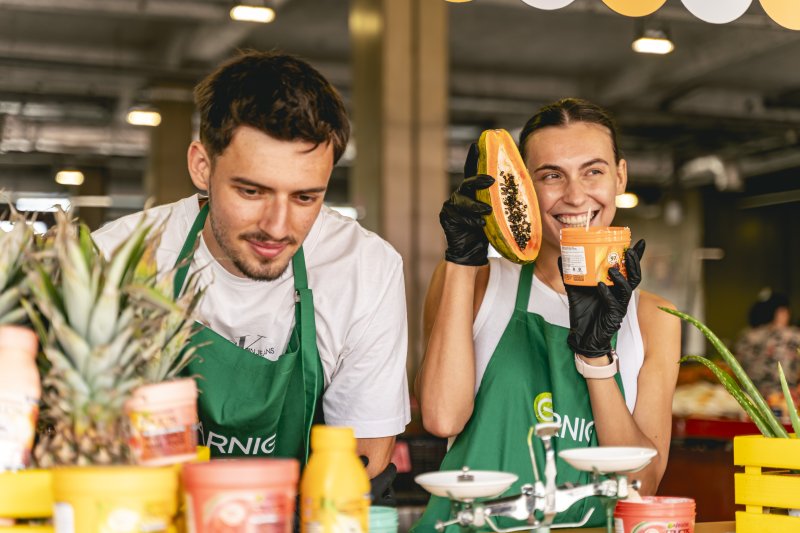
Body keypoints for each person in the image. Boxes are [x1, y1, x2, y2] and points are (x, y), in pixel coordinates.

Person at [92, 51, 409, 484]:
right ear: (201, 166)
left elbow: (363, 459)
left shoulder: (365, 268)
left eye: (305, 198)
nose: (277, 227)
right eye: (252, 192)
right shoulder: (118, 258)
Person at [413, 98, 681, 530]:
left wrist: (595, 357)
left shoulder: (654, 317)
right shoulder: (479, 281)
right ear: (523, 186)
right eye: (551, 175)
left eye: (593, 171)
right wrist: (461, 262)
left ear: (620, 176)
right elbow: (442, 418)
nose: (575, 196)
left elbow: (640, 484)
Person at [735, 291, 800, 401]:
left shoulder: (746, 336)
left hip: (748, 400)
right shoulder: (793, 337)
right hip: (782, 401)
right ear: (780, 312)